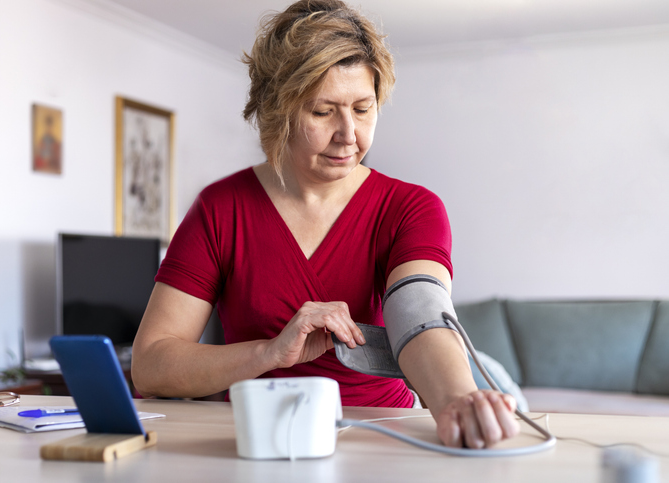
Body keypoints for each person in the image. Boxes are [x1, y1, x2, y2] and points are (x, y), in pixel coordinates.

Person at [131, 0, 520, 449]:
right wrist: (270, 351)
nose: (349, 134)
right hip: (261, 437)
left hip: (383, 436)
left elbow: (420, 313)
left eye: (363, 108)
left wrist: (456, 398)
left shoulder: (411, 207)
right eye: (322, 111)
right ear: (278, 111)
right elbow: (151, 364)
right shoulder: (221, 208)